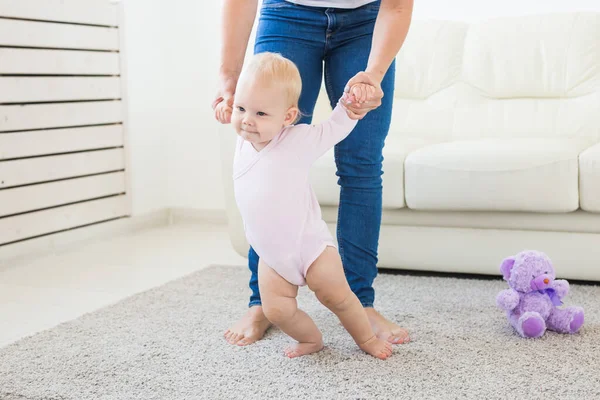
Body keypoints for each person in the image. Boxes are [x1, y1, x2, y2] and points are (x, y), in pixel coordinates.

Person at [213, 0, 414, 347]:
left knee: (361, 165)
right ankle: (262, 301)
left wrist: (374, 75)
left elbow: (397, 6)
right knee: (264, 148)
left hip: (367, 21)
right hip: (285, 13)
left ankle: (359, 302)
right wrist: (227, 80)